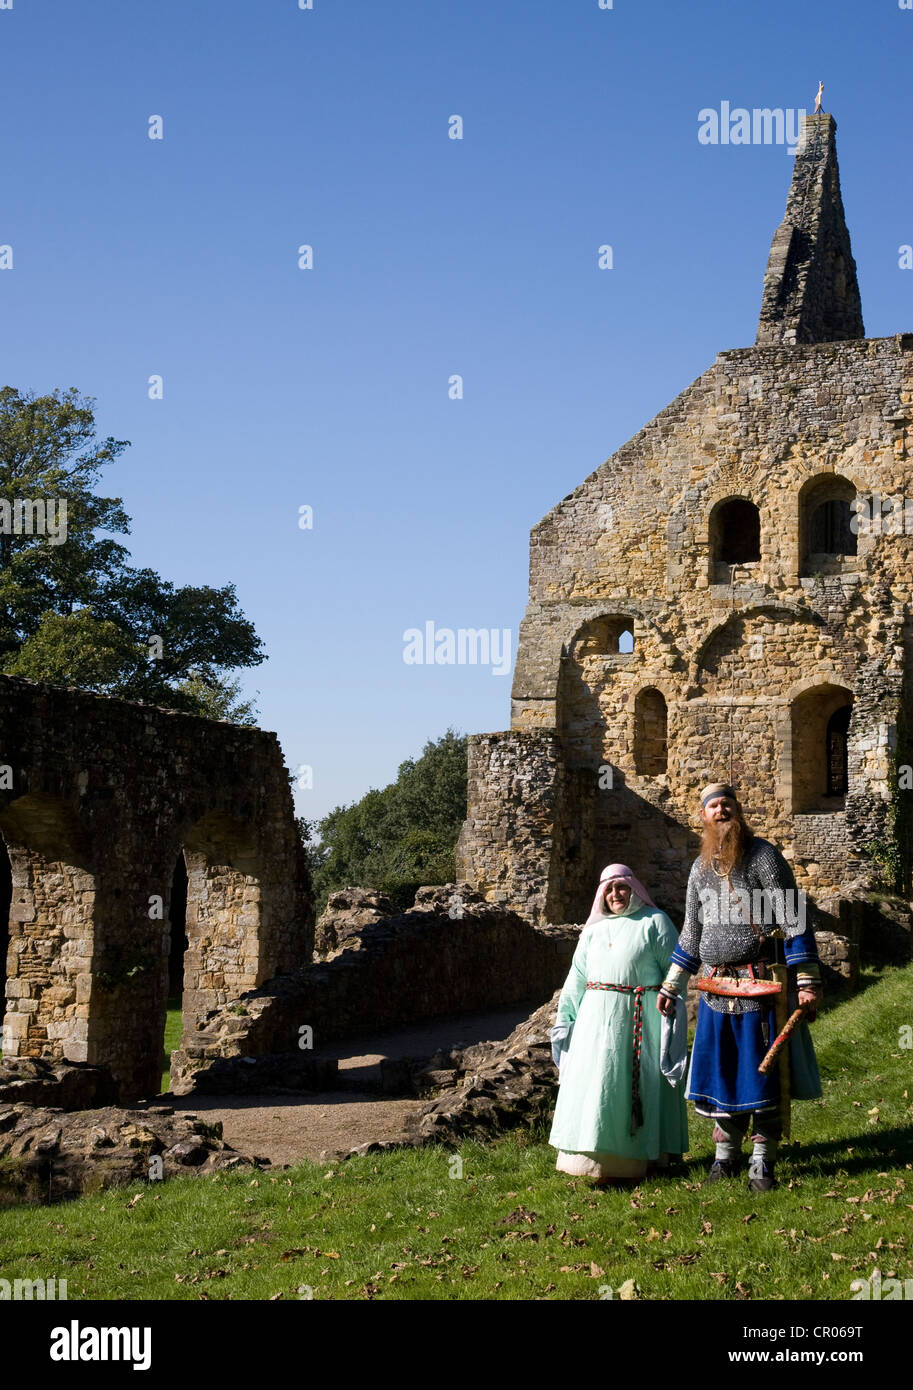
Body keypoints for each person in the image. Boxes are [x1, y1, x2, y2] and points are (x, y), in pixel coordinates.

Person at [657, 783, 823, 1193]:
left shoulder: (763, 856)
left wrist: (805, 979)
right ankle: (725, 1157)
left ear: (738, 810)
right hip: (715, 989)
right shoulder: (699, 869)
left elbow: (794, 918)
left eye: (727, 803)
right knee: (721, 1075)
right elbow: (692, 932)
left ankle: (762, 1164)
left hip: (760, 985)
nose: (721, 810)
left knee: (762, 1076)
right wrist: (673, 983)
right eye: (713, 805)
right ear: (702, 817)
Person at [549, 863, 688, 1187]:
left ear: (634, 888)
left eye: (621, 887)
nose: (615, 895)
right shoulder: (594, 930)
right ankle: (597, 1162)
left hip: (641, 1019)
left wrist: (668, 996)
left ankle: (646, 1159)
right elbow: (577, 978)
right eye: (609, 889)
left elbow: (677, 969)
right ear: (601, 894)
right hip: (595, 1023)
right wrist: (565, 1018)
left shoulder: (655, 922)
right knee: (600, 1087)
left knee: (636, 1087)